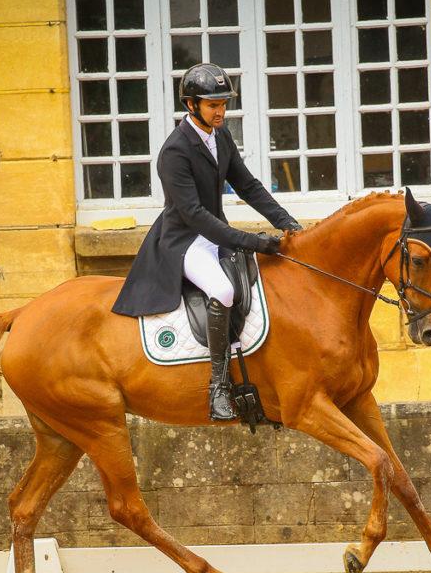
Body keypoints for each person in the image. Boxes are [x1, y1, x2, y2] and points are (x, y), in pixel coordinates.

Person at [112, 62, 302, 421]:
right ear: (191, 105)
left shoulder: (221, 136)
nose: (221, 111)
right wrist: (251, 241)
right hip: (184, 240)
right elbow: (195, 214)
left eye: (223, 104)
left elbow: (247, 185)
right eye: (213, 105)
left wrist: (286, 221)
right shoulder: (175, 152)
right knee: (223, 290)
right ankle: (218, 386)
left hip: (215, 233)